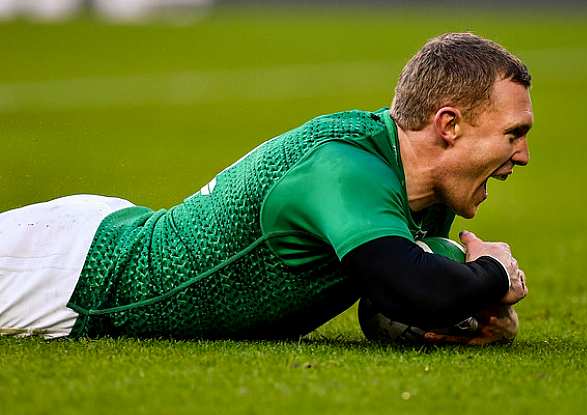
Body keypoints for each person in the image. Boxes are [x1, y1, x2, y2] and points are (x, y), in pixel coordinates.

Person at [0, 32, 533, 344]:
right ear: (448, 125)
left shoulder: (422, 188)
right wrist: (492, 274)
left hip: (104, 239)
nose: (523, 156)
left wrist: (476, 316)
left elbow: (390, 302)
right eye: (513, 134)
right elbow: (413, 288)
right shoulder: (344, 169)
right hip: (70, 273)